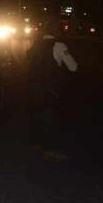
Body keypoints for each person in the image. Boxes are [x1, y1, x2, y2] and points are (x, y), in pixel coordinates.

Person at [26, 17, 78, 158]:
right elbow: (73, 67)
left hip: (32, 86)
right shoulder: (59, 45)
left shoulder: (35, 44)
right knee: (51, 118)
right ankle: (50, 149)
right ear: (57, 30)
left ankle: (35, 143)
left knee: (36, 115)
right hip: (50, 88)